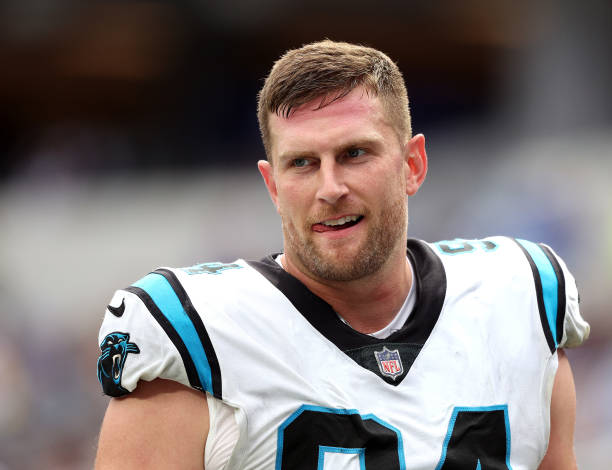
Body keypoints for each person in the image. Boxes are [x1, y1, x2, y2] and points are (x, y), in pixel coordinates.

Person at [95, 40, 589, 469]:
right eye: (303, 163)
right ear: (273, 185)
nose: (329, 188)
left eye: (355, 154)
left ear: (412, 165)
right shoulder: (191, 331)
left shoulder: (519, 294)